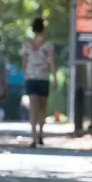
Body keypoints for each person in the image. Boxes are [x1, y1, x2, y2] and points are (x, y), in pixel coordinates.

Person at [21, 17, 57, 148]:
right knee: (43, 107)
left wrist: (25, 75)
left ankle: (33, 135)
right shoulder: (48, 45)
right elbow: (52, 62)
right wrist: (54, 78)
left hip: (31, 78)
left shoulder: (27, 45)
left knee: (33, 107)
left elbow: (24, 63)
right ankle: (41, 133)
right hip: (43, 78)